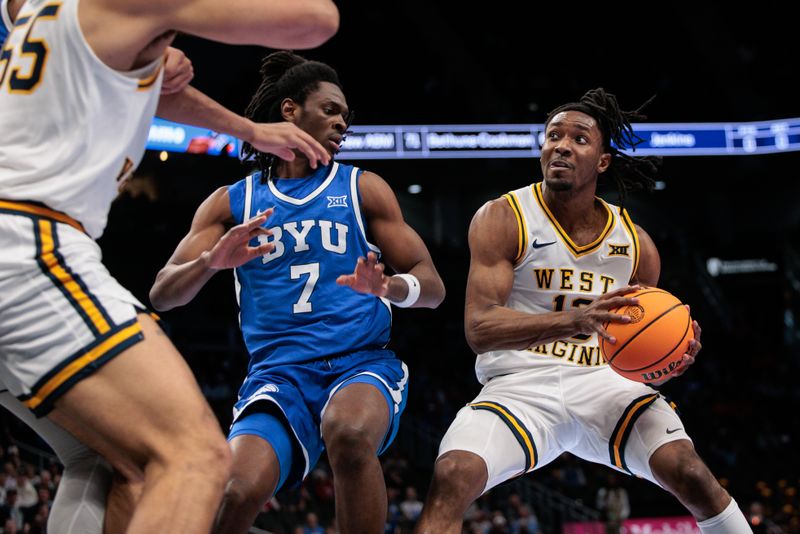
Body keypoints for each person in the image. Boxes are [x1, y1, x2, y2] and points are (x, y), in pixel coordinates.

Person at [0, 1, 339, 532]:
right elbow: (317, 21)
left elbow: (156, 86)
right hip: (26, 245)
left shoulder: (43, 11)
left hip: (21, 244)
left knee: (111, 460)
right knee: (196, 456)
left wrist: (249, 130)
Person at [415, 89, 751, 534]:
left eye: (579, 138)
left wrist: (665, 364)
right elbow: (479, 328)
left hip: (604, 385)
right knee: (453, 476)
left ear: (603, 160)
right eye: (553, 135)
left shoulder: (637, 245)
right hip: (519, 385)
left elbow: (640, 343)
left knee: (691, 474)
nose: (562, 145)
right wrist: (575, 319)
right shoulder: (504, 216)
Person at [149, 51, 446, 534]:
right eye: (330, 109)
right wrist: (211, 263)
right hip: (278, 376)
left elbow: (432, 287)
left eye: (345, 115)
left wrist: (390, 285)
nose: (341, 122)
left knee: (348, 435)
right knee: (231, 495)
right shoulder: (231, 202)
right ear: (290, 110)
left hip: (360, 363)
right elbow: (163, 294)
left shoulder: (362, 189)